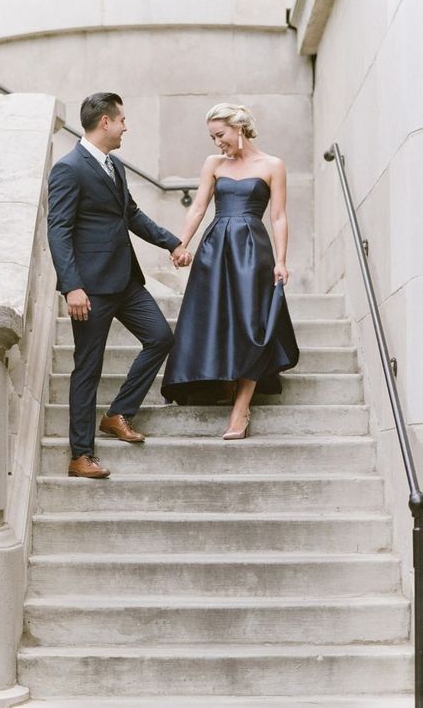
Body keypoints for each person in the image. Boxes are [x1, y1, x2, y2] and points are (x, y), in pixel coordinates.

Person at [48, 92, 191, 479]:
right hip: (89, 289)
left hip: (125, 280)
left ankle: (118, 414)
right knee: (87, 369)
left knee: (161, 337)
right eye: (122, 119)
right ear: (105, 122)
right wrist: (71, 286)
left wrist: (172, 242)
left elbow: (131, 214)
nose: (127, 126)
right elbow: (58, 230)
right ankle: (81, 456)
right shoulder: (69, 168)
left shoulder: (115, 165)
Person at [161, 102, 299, 439]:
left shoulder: (272, 165)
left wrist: (281, 260)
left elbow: (279, 216)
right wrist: (181, 244)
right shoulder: (214, 164)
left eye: (220, 134)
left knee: (252, 323)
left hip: (253, 248)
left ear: (239, 128)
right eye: (212, 137)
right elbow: (198, 207)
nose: (217, 142)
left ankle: (241, 408)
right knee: (216, 317)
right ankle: (221, 380)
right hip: (215, 246)